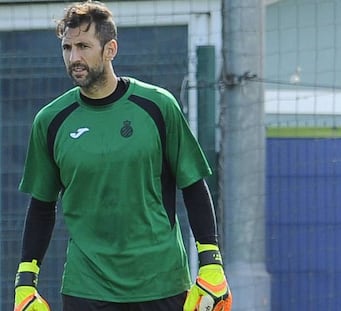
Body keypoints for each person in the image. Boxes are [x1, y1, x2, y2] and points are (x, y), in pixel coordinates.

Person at [13, 1, 232, 310]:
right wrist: (25, 282)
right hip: (86, 288)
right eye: (67, 47)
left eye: (84, 46)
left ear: (110, 49)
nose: (74, 57)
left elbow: (193, 185)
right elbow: (41, 206)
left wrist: (211, 261)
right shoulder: (50, 121)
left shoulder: (158, 106)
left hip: (162, 283)